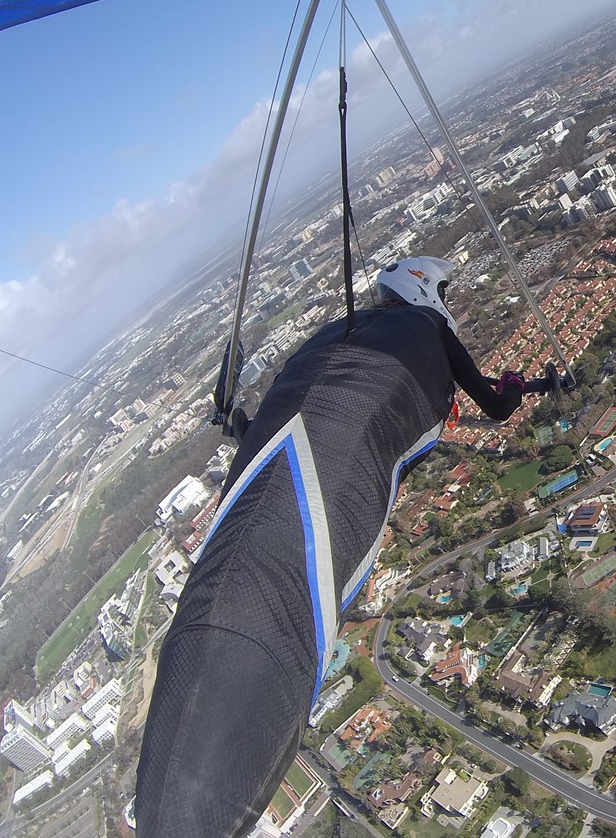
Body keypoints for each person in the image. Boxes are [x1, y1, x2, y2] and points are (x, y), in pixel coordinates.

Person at [134, 256, 541, 837]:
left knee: (243, 571)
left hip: (270, 449)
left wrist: (243, 424)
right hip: (330, 464)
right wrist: (515, 389)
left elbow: (298, 403)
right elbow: (496, 407)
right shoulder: (431, 330)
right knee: (290, 593)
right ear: (425, 291)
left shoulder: (330, 331)